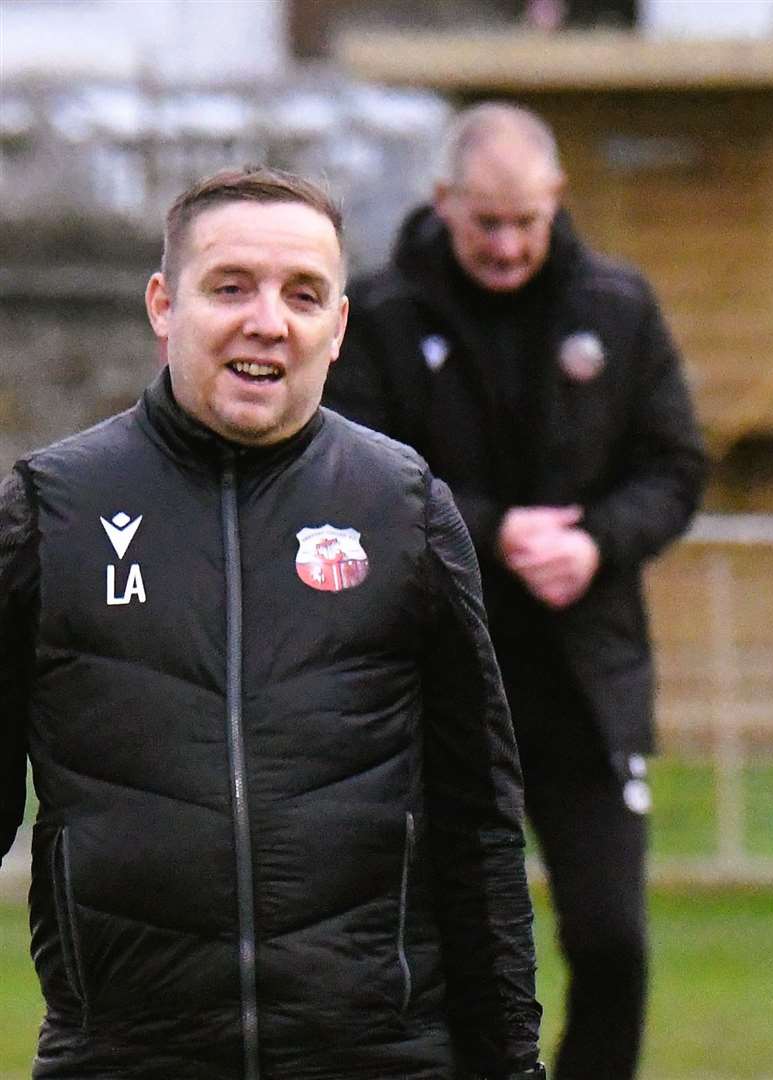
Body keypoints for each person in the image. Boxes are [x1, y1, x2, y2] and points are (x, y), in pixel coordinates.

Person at [0, 166, 546, 1080]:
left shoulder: (403, 508)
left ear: (336, 327)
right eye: (230, 287)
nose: (267, 321)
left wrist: (511, 1064)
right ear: (163, 306)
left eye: (302, 294)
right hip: (128, 1058)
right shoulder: (49, 511)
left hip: (381, 1057)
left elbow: (476, 823)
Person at [324, 102, 706, 1080]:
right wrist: (491, 529)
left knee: (612, 942)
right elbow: (356, 479)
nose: (505, 243)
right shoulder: (377, 317)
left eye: (524, 222)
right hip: (432, 686)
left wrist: (596, 542)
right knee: (443, 946)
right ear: (443, 202)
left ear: (556, 202)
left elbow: (674, 469)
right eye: (484, 221)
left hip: (586, 685)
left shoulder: (618, 308)